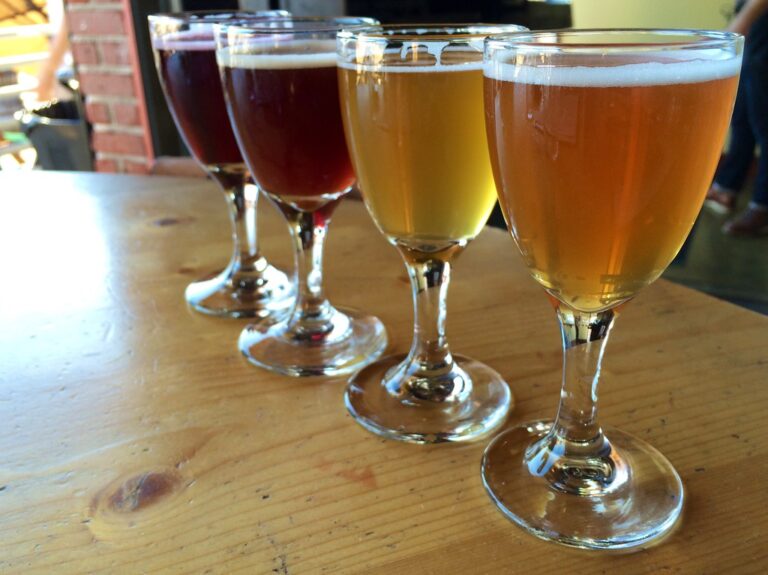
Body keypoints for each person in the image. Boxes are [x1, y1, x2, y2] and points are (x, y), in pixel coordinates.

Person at [705, 0, 768, 236]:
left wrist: (742, 20)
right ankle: (726, 187)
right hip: (756, 26)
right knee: (743, 114)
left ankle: (762, 205)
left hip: (761, 24)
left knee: (763, 121)